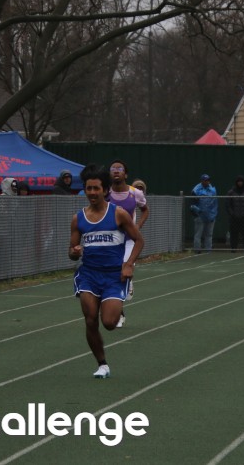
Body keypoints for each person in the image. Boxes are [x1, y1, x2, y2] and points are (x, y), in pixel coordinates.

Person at [69, 164, 145, 378]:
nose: (92, 193)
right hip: (89, 275)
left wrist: (128, 264)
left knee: (109, 323)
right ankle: (102, 364)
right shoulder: (78, 219)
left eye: (96, 188)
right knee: (90, 319)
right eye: (88, 188)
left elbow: (139, 240)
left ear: (105, 190)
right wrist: (74, 252)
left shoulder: (118, 214)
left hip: (113, 276)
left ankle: (112, 309)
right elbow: (71, 252)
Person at [106, 159, 149, 327]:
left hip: (130, 239)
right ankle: (120, 312)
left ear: (126, 174)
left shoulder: (135, 193)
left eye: (120, 168)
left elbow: (145, 210)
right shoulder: (106, 192)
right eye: (113, 168)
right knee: (113, 275)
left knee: (123, 272)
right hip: (111, 239)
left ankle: (119, 311)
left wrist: (137, 226)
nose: (116, 171)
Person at [190, 174, 218, 253]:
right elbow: (192, 204)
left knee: (209, 234)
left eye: (208, 180)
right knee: (198, 234)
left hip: (210, 216)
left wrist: (213, 214)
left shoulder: (212, 190)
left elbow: (215, 203)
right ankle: (197, 250)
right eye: (205, 180)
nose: (207, 182)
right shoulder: (196, 190)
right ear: (202, 181)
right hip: (200, 216)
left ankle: (208, 250)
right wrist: (198, 212)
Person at [226, 175, 244, 252]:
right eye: (238, 181)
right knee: (233, 235)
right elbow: (228, 205)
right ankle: (233, 250)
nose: (240, 183)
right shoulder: (231, 192)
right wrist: (232, 214)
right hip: (234, 218)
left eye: (241, 181)